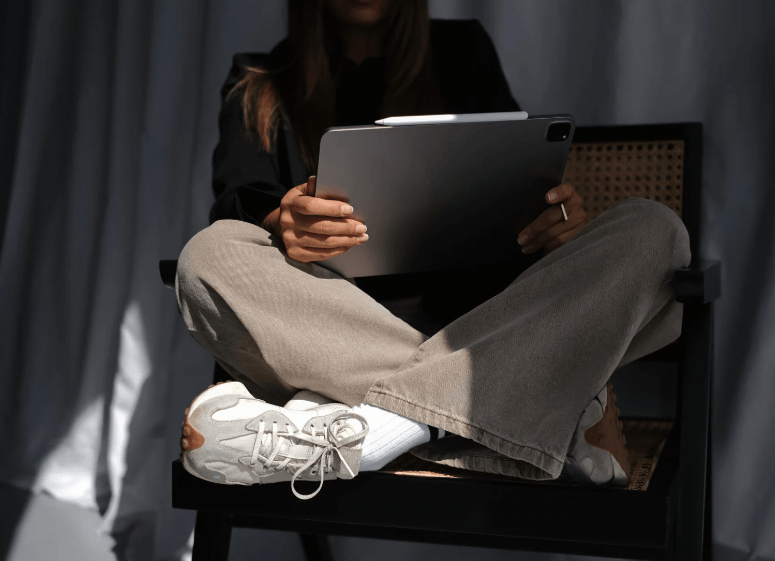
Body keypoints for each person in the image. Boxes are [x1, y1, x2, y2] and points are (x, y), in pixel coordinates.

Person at [176, 0, 691, 500]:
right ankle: (546, 408)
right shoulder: (260, 77)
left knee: (657, 231)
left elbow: (519, 179)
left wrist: (551, 219)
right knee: (208, 256)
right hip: (333, 333)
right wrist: (281, 220)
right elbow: (234, 199)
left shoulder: (462, 49)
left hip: (493, 322)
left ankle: (370, 432)